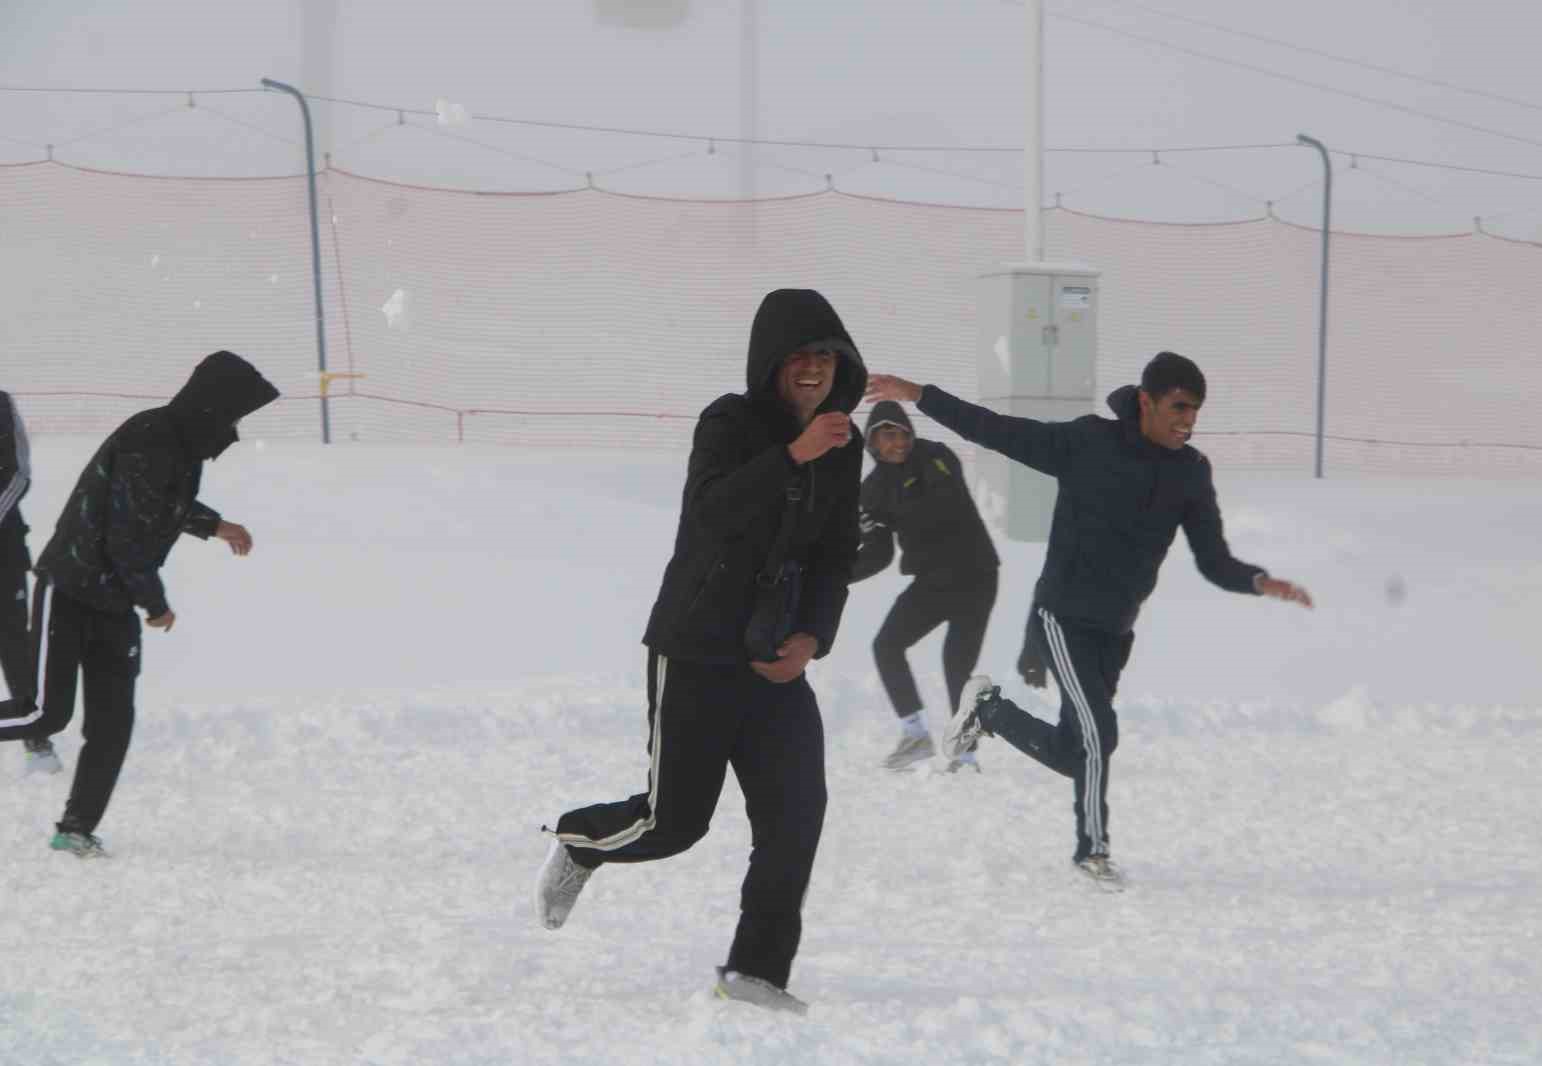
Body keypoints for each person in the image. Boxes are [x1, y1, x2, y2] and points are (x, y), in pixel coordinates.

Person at [865, 351, 1312, 887]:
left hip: (1114, 631)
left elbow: (1213, 560)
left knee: (1080, 753)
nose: (1187, 422)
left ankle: (990, 711)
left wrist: (1259, 581)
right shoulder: (1089, 444)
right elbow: (996, 430)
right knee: (1099, 734)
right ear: (1146, 401)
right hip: (1062, 616)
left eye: (1195, 412)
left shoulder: (1190, 473)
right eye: (1178, 408)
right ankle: (1091, 852)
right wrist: (919, 395)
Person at [535, 289, 865, 1014]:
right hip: (696, 650)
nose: (814, 369)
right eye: (801, 356)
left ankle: (755, 971)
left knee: (797, 812)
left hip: (777, 658)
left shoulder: (848, 443)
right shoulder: (729, 422)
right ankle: (583, 844)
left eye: (826, 356)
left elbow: (838, 553)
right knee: (673, 824)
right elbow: (710, 511)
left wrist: (815, 635)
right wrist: (791, 455)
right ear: (773, 362)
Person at [0, 351, 279, 857]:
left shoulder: (181, 447)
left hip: (113, 599)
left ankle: (75, 830)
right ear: (213, 407)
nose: (236, 427)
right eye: (236, 414)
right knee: (43, 713)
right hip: (68, 588)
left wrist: (214, 526)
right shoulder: (151, 438)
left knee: (112, 724)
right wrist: (155, 605)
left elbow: (161, 506)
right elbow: (127, 535)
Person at [851, 399, 998, 771]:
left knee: (956, 664)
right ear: (872, 442)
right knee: (887, 645)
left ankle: (965, 756)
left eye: (902, 433)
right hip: (932, 581)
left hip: (974, 574)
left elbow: (942, 504)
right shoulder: (873, 489)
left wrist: (884, 510)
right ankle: (915, 734)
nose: (897, 442)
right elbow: (879, 554)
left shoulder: (936, 457)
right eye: (887, 436)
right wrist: (837, 574)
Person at [1, 390, 34, 754]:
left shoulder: (0, 403)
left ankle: (37, 743)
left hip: (4, 553)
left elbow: (19, 473)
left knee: (13, 644)